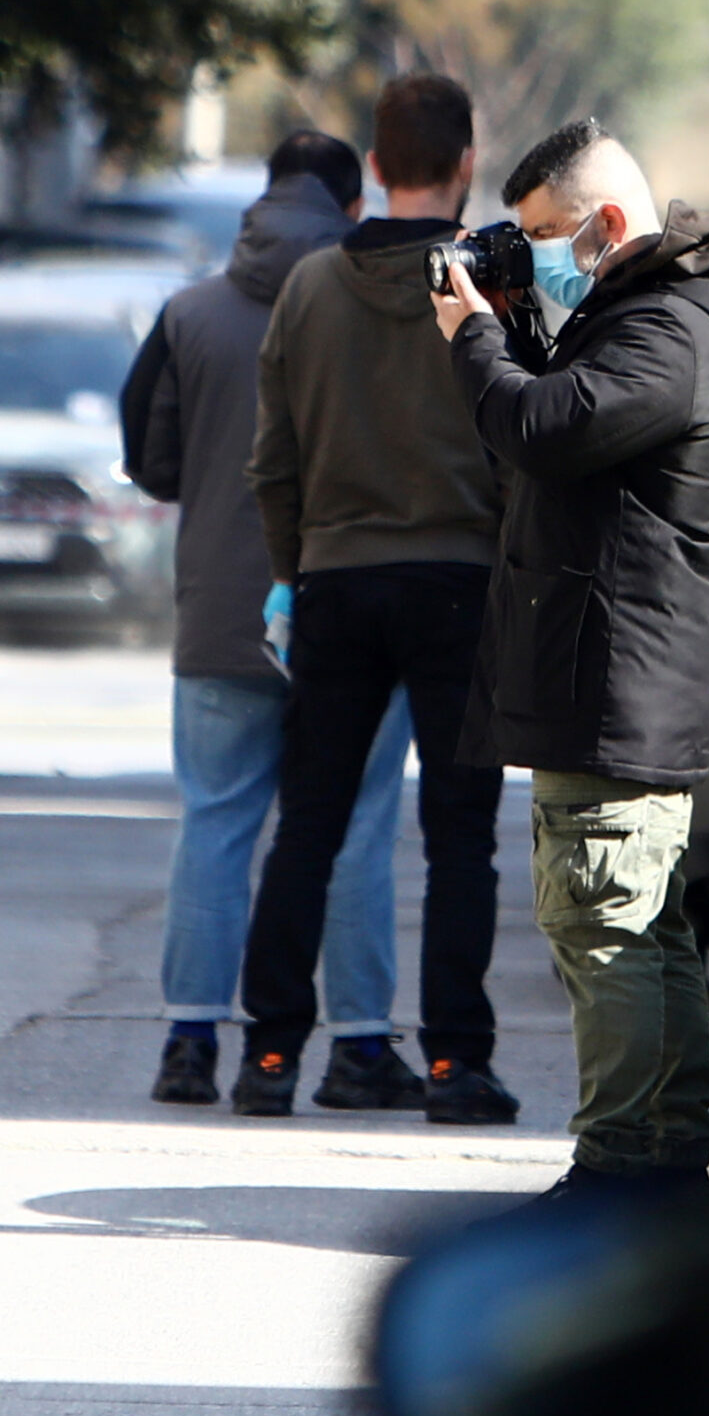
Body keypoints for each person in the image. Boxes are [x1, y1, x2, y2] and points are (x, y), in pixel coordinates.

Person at [433, 118, 709, 1191]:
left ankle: (622, 1171)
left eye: (546, 233)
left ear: (610, 223)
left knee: (606, 927)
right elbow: (559, 434)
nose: (536, 252)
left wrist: (473, 338)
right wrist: (511, 323)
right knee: (640, 925)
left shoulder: (663, 335)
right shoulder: (648, 319)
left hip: (616, 683)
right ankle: (664, 1158)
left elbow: (542, 430)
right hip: (618, 677)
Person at [232, 74, 514, 1122]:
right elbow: (524, 437)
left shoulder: (310, 288)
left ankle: (268, 1056)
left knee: (307, 825)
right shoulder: (492, 282)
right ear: (466, 164)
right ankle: (456, 1065)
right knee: (460, 837)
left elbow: (273, 460)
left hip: (337, 581)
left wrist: (291, 572)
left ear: (380, 167)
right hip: (460, 583)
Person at [121, 131, 421, 1110]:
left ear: (264, 196)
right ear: (352, 205)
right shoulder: (384, 310)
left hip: (218, 612)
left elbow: (151, 461)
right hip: (350, 603)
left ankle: (189, 1042)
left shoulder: (189, 312)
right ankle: (359, 1046)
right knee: (356, 825)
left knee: (214, 821)